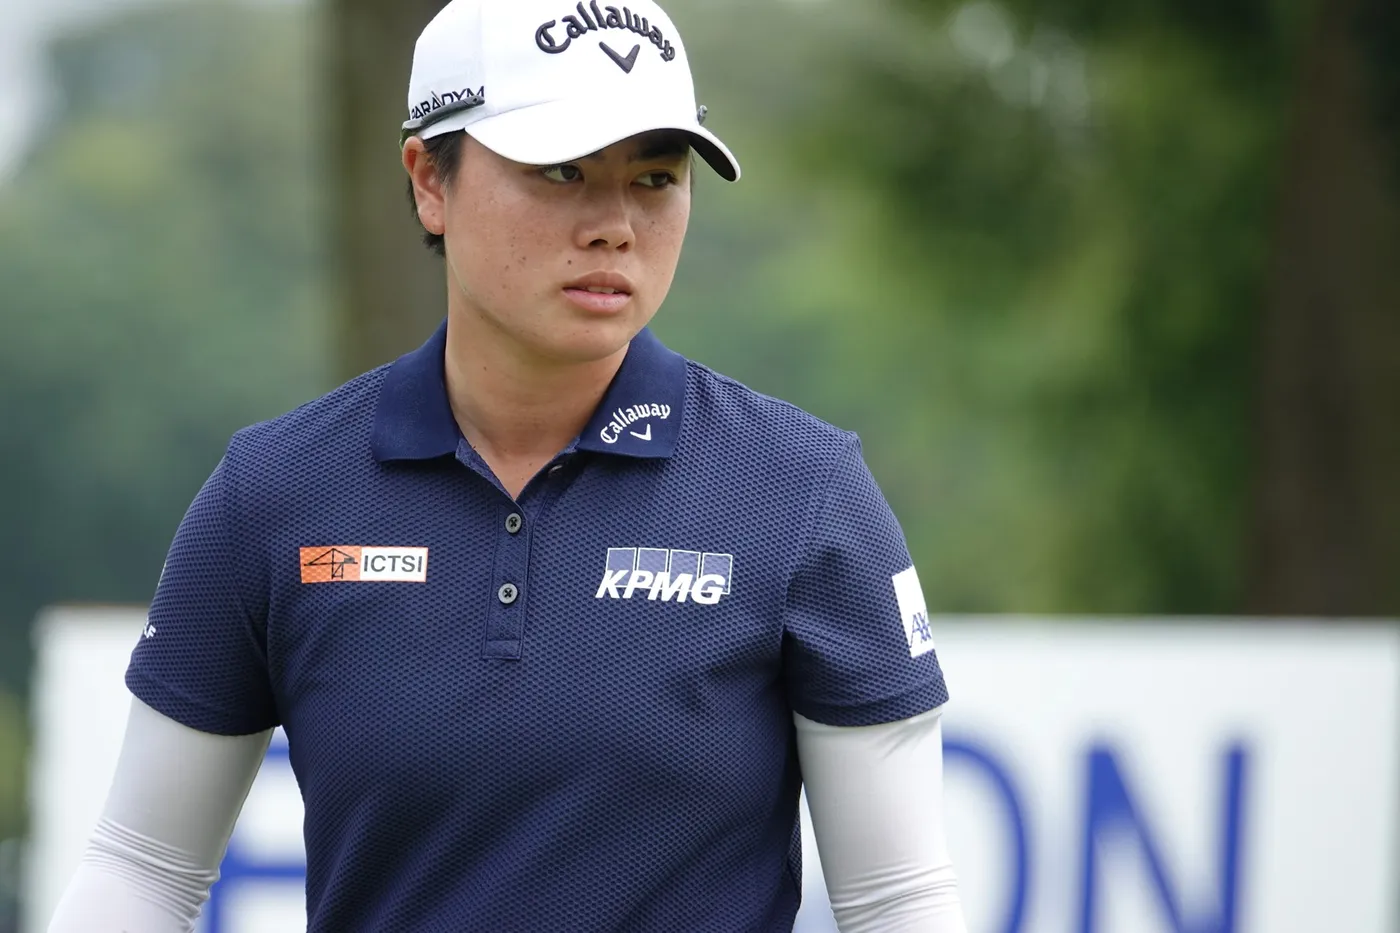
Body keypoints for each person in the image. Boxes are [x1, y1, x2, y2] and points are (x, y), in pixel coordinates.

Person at [47, 1, 968, 930]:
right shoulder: (275, 490)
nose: (615, 225)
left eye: (655, 178)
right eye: (562, 170)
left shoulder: (801, 491)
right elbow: (142, 870)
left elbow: (898, 900)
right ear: (429, 181)